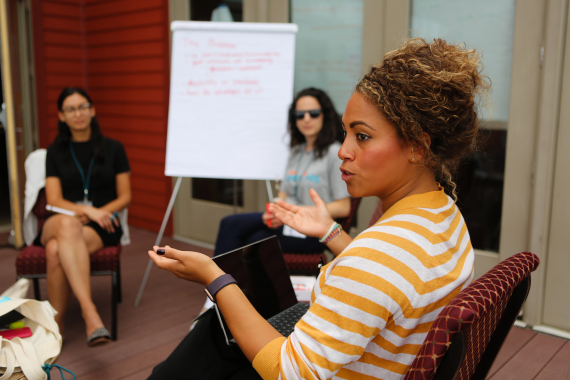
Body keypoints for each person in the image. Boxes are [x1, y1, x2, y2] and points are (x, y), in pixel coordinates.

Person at [147, 38, 488, 379]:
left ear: (417, 145)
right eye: (345, 133)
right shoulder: (443, 213)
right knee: (218, 334)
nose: (343, 151)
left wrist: (216, 279)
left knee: (214, 332)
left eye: (362, 136)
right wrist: (330, 231)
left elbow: (288, 371)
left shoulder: (380, 255)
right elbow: (392, 279)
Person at [33, 87, 131, 346]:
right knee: (66, 224)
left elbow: (125, 196)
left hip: (100, 225)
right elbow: (53, 200)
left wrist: (101, 213)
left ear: (93, 110)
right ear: (61, 116)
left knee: (55, 251)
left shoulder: (114, 148)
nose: (78, 113)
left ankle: (57, 324)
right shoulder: (55, 152)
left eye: (83, 107)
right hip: (62, 219)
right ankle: (90, 313)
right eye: (70, 109)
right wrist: (88, 210)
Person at [213, 88, 351, 256]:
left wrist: (300, 211)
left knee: (252, 239)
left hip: (311, 228)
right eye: (300, 115)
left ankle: (221, 280)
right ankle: (221, 281)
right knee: (229, 223)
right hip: (286, 221)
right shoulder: (296, 152)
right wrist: (273, 214)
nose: (306, 119)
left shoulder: (334, 153)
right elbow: (282, 196)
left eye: (313, 113)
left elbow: (344, 207)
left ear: (325, 116)